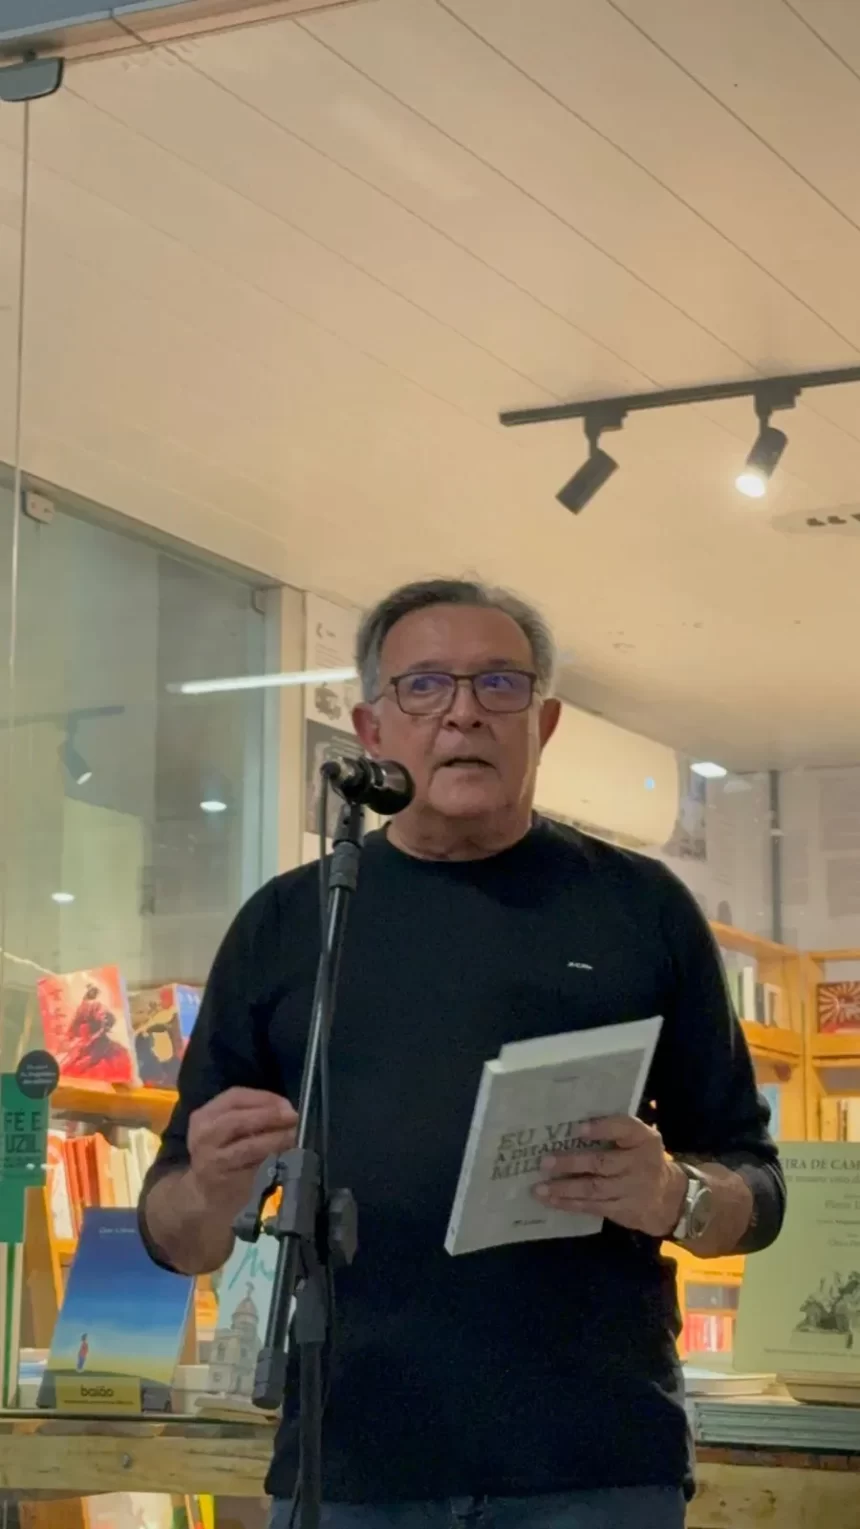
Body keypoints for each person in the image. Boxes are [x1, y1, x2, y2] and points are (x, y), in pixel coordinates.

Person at [139, 578, 785, 1529]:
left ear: (545, 723)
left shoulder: (640, 909)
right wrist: (211, 1188)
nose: (463, 713)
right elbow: (174, 1234)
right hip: (349, 1464)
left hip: (592, 1464)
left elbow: (758, 1186)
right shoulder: (291, 922)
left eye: (499, 684)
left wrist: (675, 1196)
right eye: (425, 685)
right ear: (370, 727)